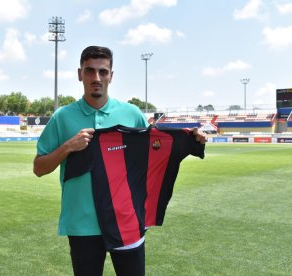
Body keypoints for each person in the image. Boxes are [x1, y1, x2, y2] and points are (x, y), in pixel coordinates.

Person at [33, 46, 206, 276]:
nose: (96, 78)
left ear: (111, 76)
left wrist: (191, 139)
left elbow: (155, 150)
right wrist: (67, 147)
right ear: (79, 74)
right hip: (82, 224)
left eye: (103, 72)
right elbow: (38, 168)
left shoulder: (132, 114)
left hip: (127, 220)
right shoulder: (62, 117)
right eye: (90, 71)